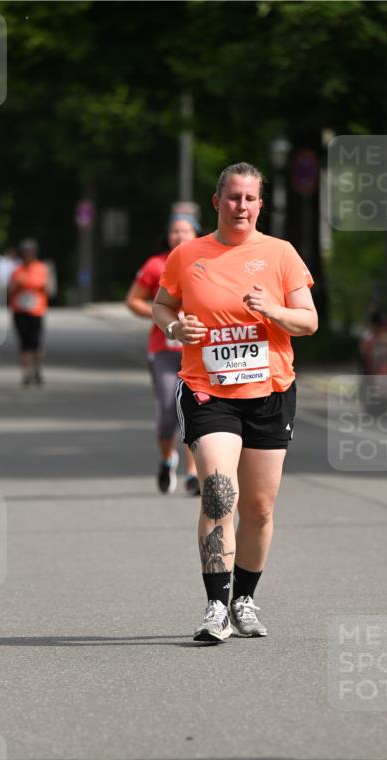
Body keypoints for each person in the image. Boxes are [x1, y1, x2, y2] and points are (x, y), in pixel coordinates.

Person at [152, 162, 318, 643]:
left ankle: (244, 599)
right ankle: (214, 605)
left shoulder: (281, 254)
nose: (240, 206)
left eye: (250, 198)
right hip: (209, 390)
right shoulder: (187, 255)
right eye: (232, 197)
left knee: (261, 508)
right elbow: (164, 304)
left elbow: (308, 322)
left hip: (269, 392)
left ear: (260, 204)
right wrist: (173, 327)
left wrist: (274, 311)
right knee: (219, 493)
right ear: (216, 201)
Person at [126, 213, 200, 495]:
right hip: (164, 350)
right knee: (169, 411)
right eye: (174, 231)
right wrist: (164, 317)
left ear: (196, 234)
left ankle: (193, 473)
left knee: (195, 411)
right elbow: (133, 300)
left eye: (185, 231)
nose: (179, 236)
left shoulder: (207, 263)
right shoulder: (157, 265)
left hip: (197, 350)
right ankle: (167, 458)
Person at [9, 239, 50, 386]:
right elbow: (10, 290)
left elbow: (48, 288)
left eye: (30, 252)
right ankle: (26, 374)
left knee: (36, 343)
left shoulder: (41, 268)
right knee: (24, 344)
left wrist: (38, 286)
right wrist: (17, 285)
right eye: (25, 252)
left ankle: (37, 370)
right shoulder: (17, 270)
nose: (28, 255)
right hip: (20, 310)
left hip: (36, 311)